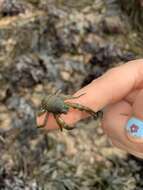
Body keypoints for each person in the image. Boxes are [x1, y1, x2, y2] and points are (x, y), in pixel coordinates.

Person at [37, 59, 143, 159]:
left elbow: (69, 102)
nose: (66, 111)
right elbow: (66, 104)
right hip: (52, 103)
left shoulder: (62, 105)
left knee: (74, 107)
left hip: (55, 102)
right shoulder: (58, 108)